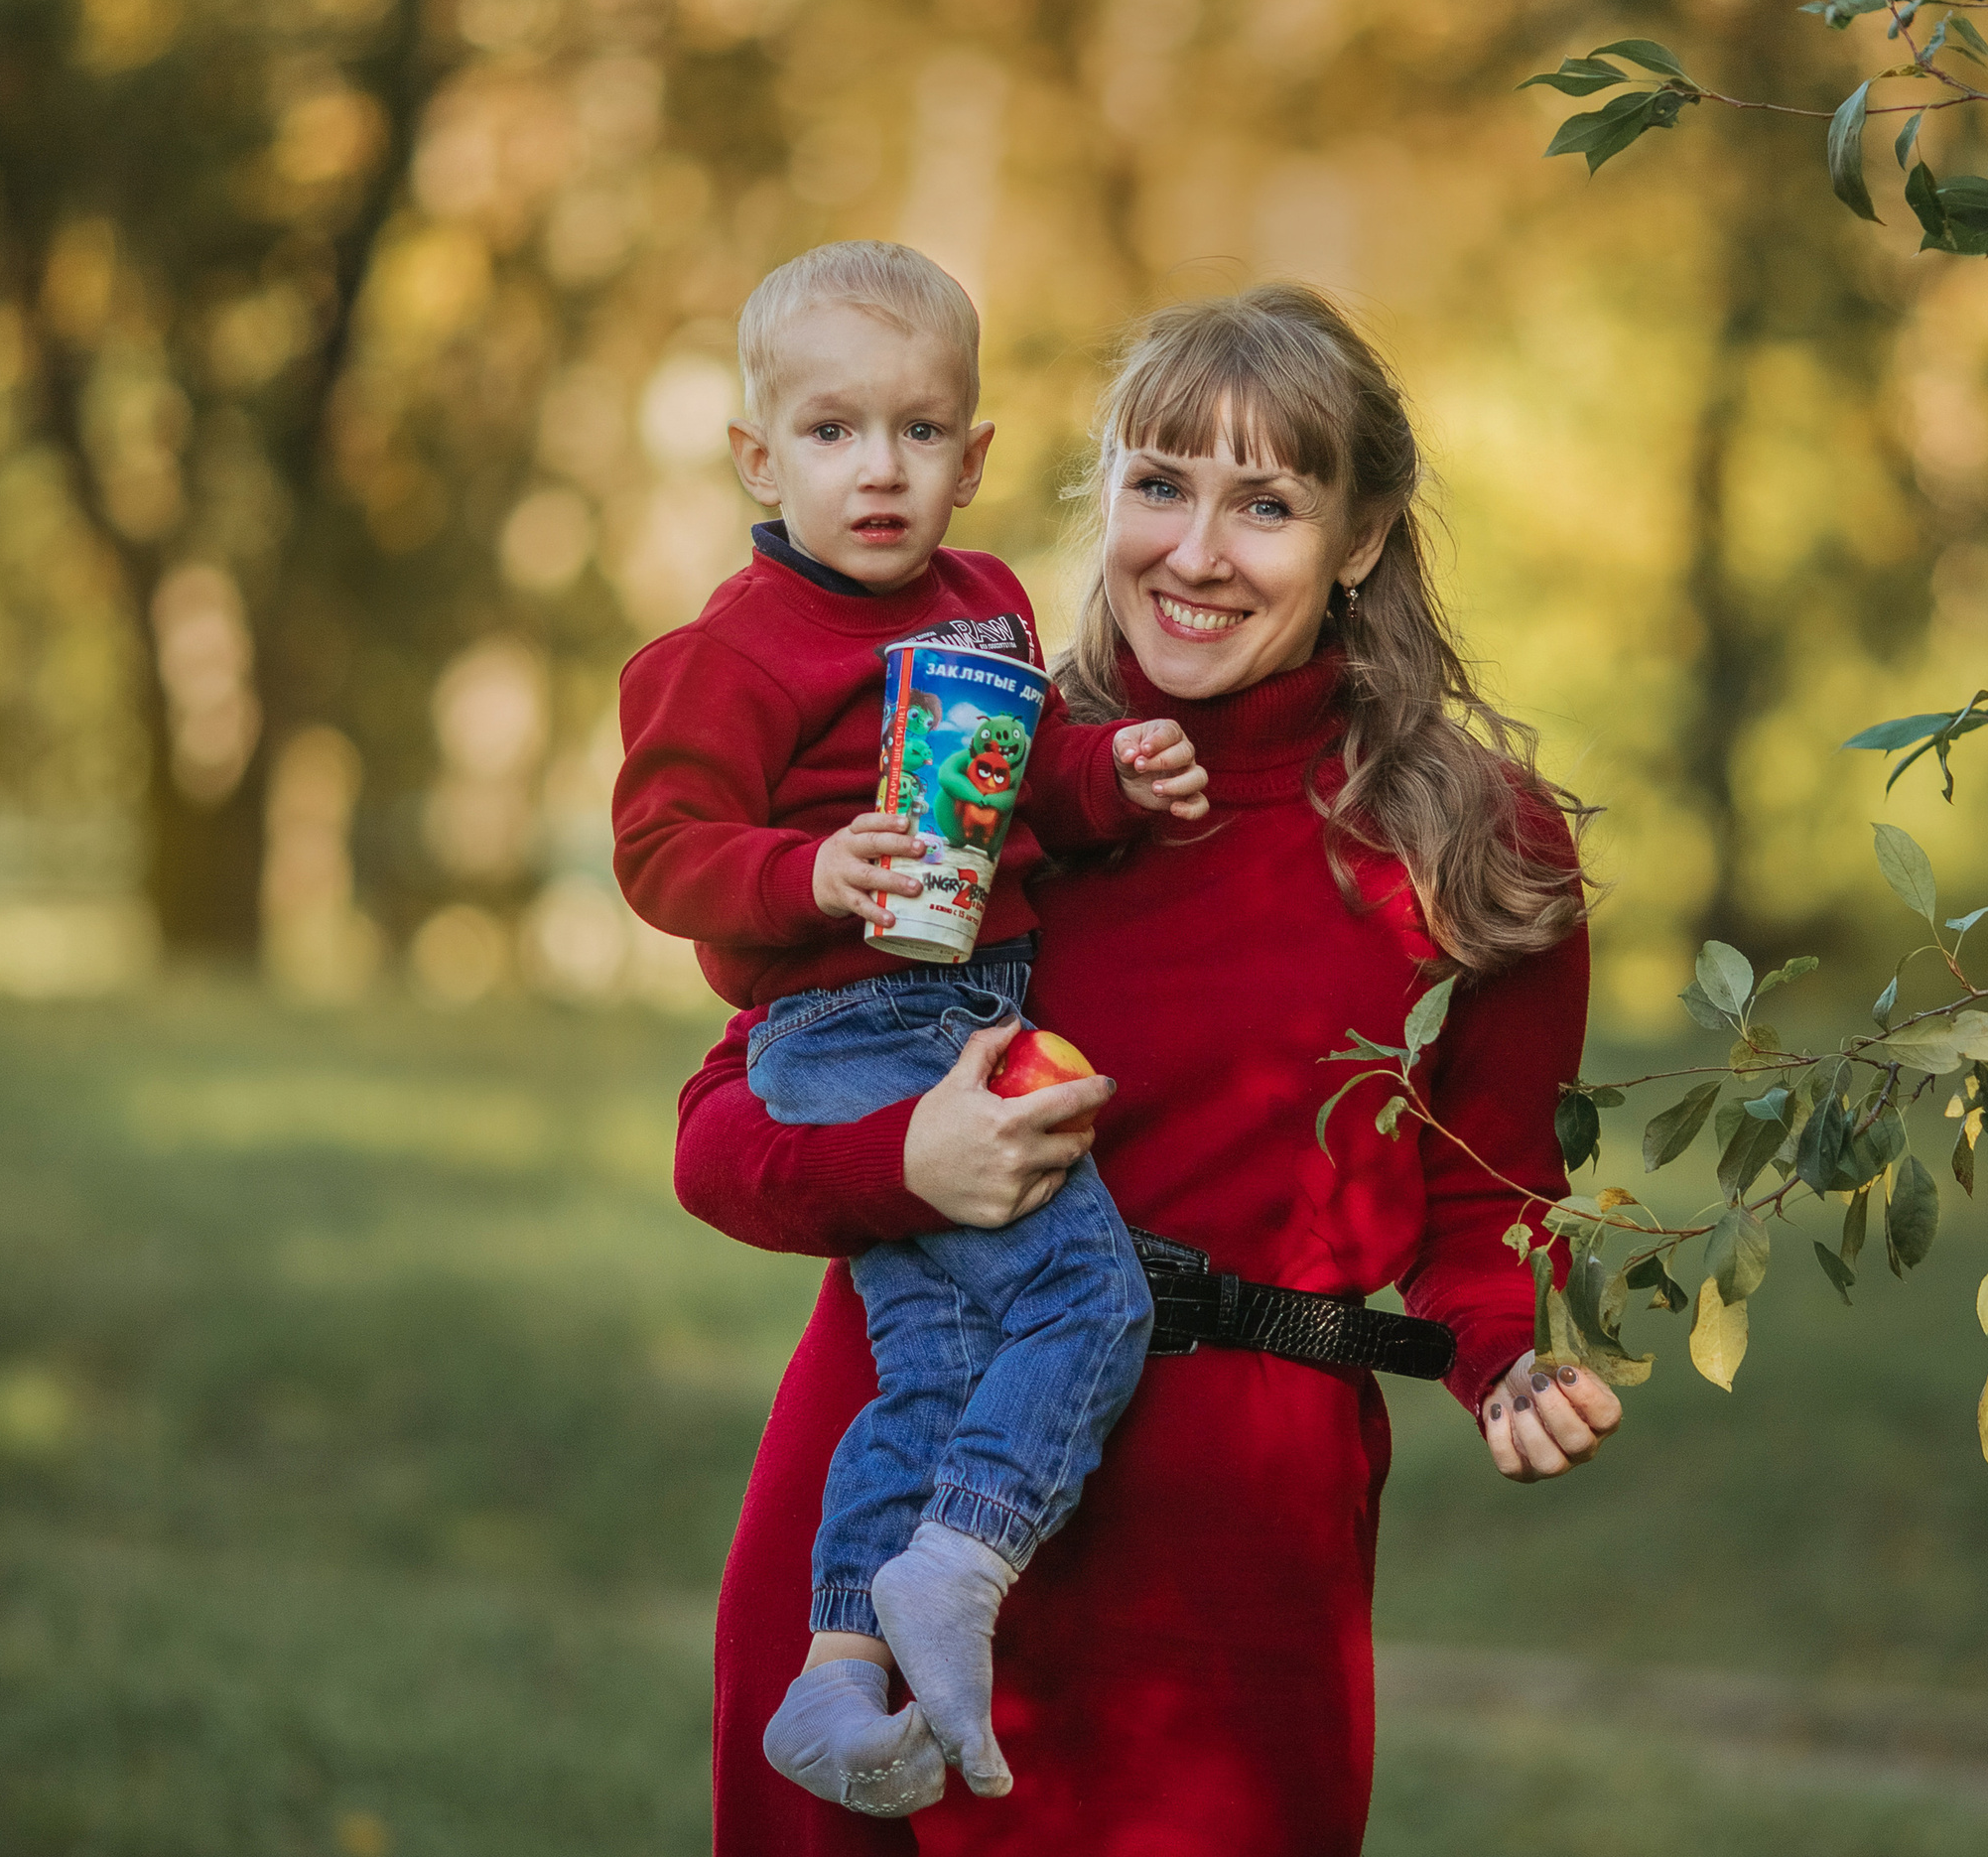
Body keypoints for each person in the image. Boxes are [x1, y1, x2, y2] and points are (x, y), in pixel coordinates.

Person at [676, 284, 1624, 1856]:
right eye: (1159, 486)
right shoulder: (992, 762)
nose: (1195, 552)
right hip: (889, 1472)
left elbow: (1489, 1202)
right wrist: (905, 1165)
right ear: (1103, 495)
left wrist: (1502, 1355)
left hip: (1227, 1526)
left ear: (1364, 534)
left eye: (1267, 503)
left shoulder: (1474, 840)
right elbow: (728, 1127)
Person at [615, 241, 1209, 1816]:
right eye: (830, 432)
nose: (878, 469)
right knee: (1088, 1299)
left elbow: (1026, 794)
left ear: (973, 455)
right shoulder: (735, 651)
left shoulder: (994, 606)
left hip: (973, 1001)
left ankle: (834, 1673)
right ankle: (966, 1555)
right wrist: (803, 869)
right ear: (760, 454)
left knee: (934, 1361)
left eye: (920, 431)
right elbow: (663, 851)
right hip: (846, 1018)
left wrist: (1110, 781)